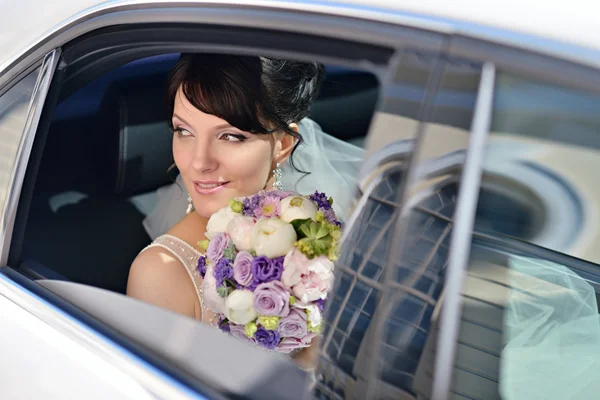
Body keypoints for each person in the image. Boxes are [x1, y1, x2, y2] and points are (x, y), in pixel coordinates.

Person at [127, 53, 326, 368]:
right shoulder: (161, 273)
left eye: (230, 136)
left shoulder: (316, 233)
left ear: (283, 145)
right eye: (184, 131)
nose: (199, 162)